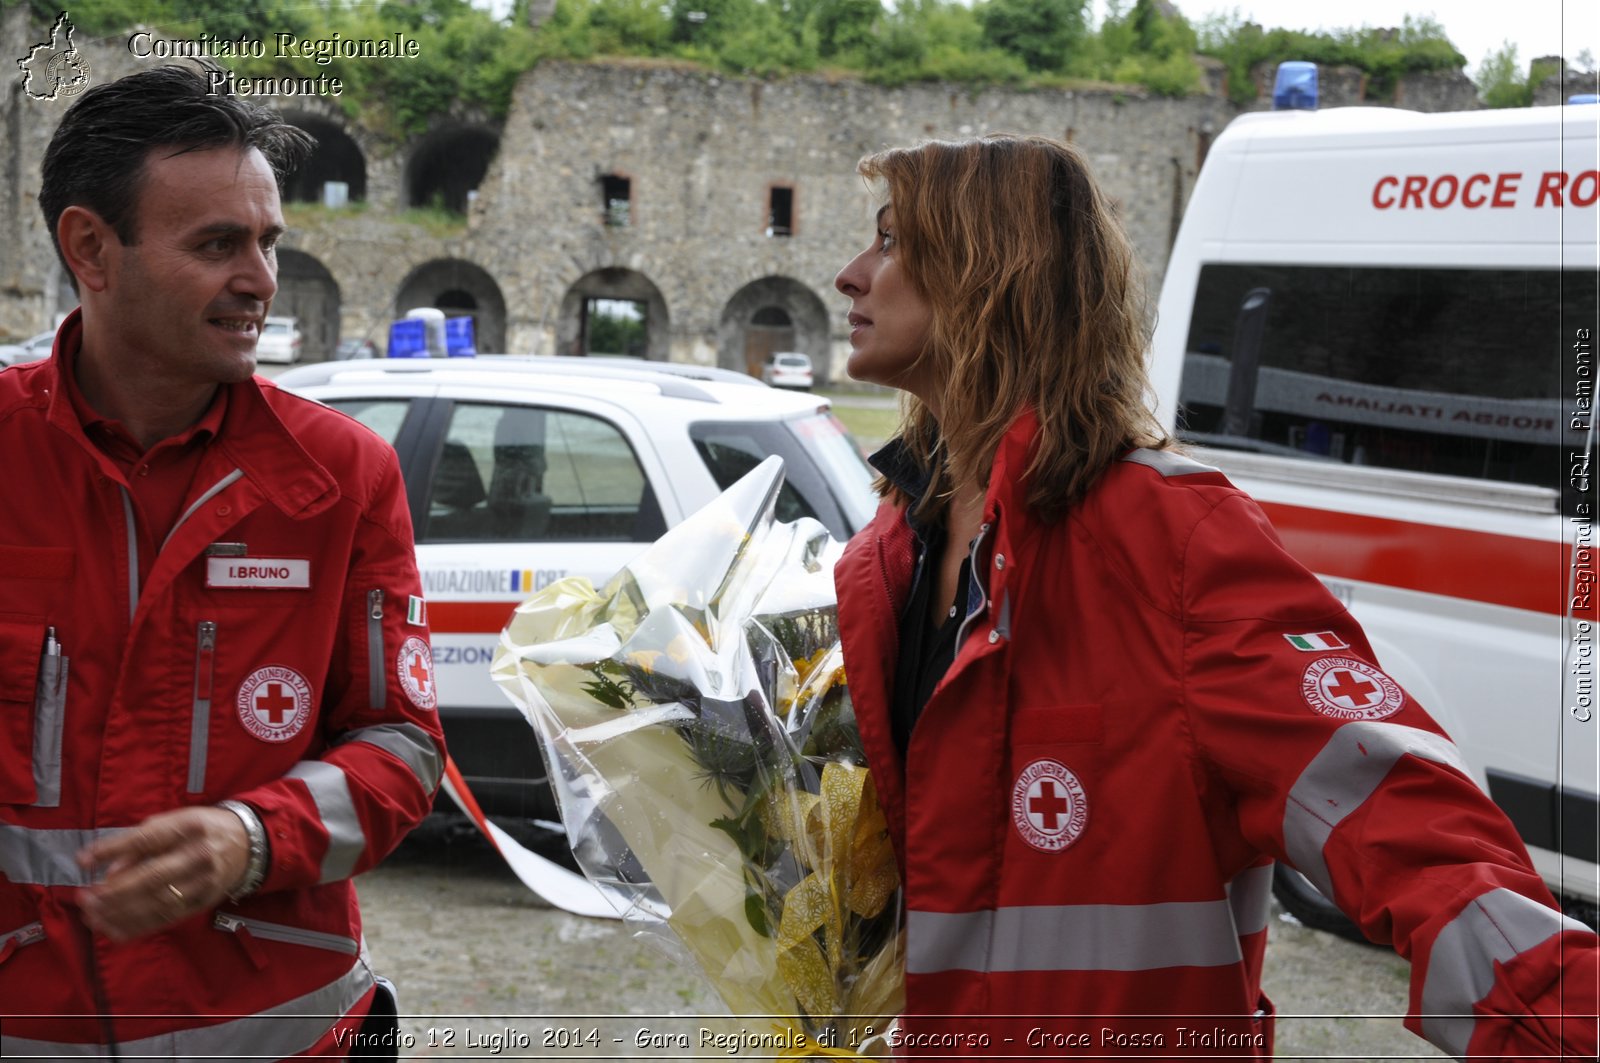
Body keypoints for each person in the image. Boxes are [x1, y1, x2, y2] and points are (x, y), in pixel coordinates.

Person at [830, 134, 1598, 1058]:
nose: (850, 275)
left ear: (992, 275)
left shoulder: (1174, 539)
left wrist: (1564, 1016)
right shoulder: (890, 551)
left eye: (891, 241)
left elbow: (1401, 817)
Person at [0, 65, 444, 1057]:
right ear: (91, 248)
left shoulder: (343, 475)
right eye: (216, 245)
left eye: (266, 242)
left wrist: (253, 837)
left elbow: (404, 751)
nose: (259, 279)